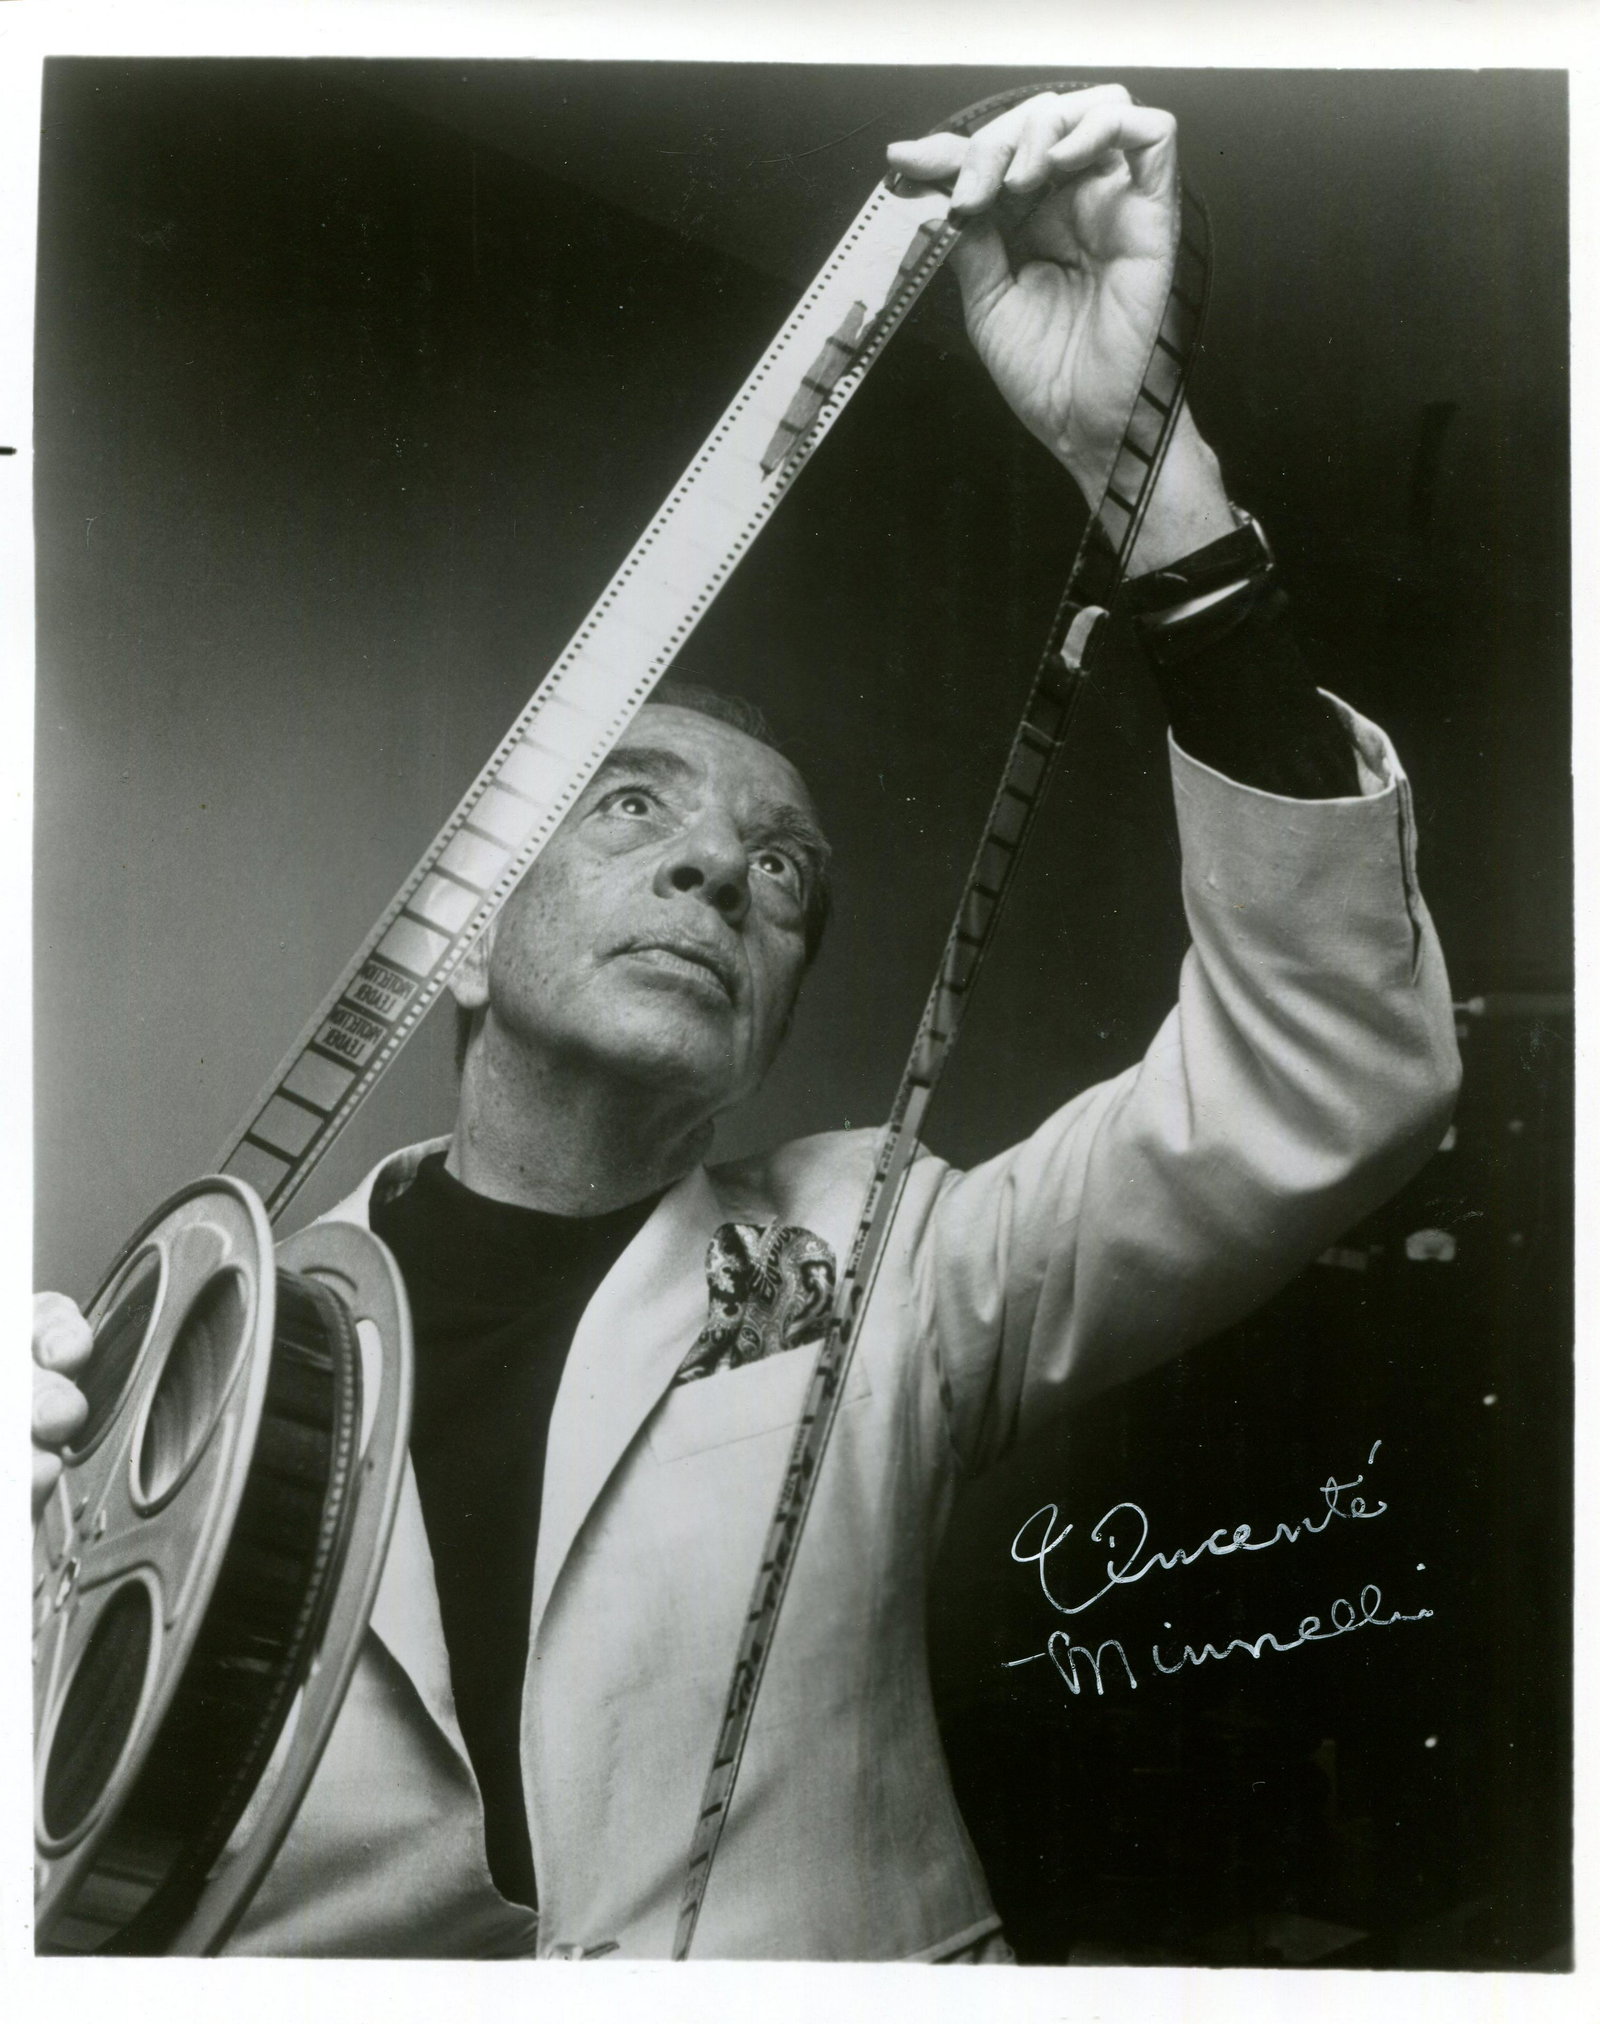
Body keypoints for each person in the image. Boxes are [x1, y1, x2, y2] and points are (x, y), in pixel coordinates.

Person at [31, 88, 1460, 1959]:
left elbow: (1334, 1073)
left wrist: (1152, 471)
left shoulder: (899, 1257)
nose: (721, 874)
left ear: (777, 1015)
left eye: (785, 874)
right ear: (463, 937)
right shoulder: (198, 1382)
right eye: (632, 807)